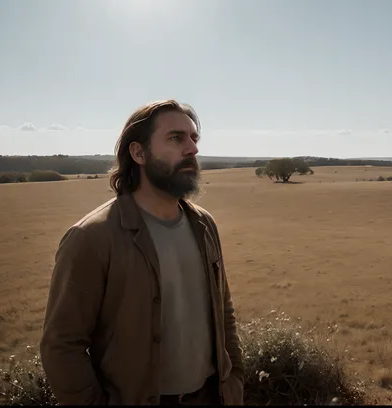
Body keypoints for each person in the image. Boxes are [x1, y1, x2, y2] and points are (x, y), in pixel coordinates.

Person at [40, 100, 244, 406]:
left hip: (212, 396)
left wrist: (235, 380)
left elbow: (223, 310)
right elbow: (62, 346)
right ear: (138, 153)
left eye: (193, 138)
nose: (192, 149)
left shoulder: (204, 224)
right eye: (176, 138)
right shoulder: (92, 238)